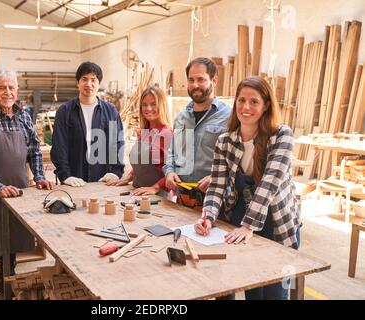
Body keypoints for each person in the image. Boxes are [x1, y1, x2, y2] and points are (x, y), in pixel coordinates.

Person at [195, 76, 301, 300]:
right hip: (242, 216)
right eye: (241, 100)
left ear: (266, 106)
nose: (246, 107)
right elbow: (216, 186)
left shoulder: (281, 135)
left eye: (254, 101)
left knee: (275, 292)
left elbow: (270, 182)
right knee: (252, 288)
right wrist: (208, 216)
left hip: (277, 221)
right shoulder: (225, 141)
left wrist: (249, 225)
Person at [0, 68, 53, 300]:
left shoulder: (24, 117)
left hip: (17, 193)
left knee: (11, 243)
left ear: (17, 90)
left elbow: (34, 150)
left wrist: (39, 176)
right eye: (2, 87)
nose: (7, 92)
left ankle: (7, 287)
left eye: (11, 87)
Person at [163, 57, 231, 208]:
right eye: (191, 80)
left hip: (216, 202)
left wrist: (216, 177)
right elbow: (172, 153)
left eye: (201, 79)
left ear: (214, 81)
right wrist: (169, 171)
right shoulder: (181, 118)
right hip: (183, 199)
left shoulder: (229, 117)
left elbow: (236, 162)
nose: (195, 85)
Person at [51, 62, 124, 186]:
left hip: (103, 180)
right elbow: (59, 145)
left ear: (98, 83)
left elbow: (116, 143)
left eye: (93, 80)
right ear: (78, 82)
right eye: (84, 79)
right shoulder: (65, 111)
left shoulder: (110, 111)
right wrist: (65, 176)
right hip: (74, 180)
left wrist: (116, 172)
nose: (88, 84)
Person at [106, 86, 172, 195]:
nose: (148, 108)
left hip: (157, 196)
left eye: (153, 104)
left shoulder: (167, 133)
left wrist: (155, 188)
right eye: (144, 105)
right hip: (137, 192)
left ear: (162, 105)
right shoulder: (144, 132)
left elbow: (174, 170)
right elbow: (142, 165)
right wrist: (128, 178)